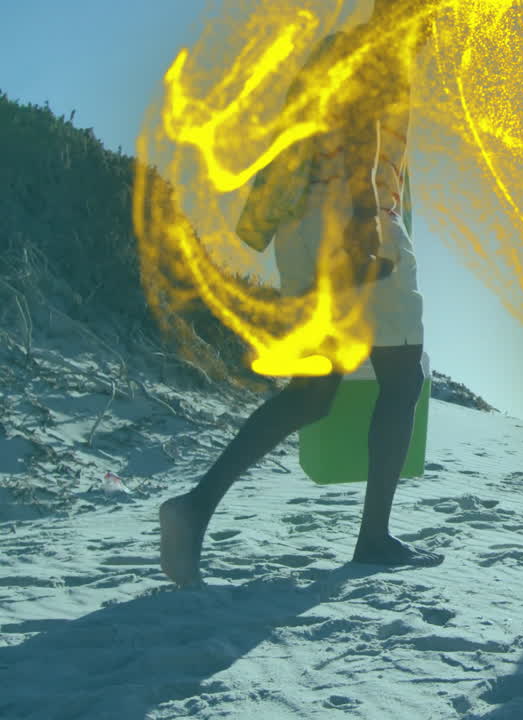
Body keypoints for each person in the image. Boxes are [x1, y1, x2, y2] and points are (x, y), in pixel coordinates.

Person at [159, 0, 438, 587]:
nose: (435, 28)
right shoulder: (381, 53)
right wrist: (365, 222)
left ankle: (194, 509)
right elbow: (361, 126)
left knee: (314, 393)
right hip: (354, 219)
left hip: (305, 224)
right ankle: (374, 539)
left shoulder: (337, 51)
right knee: (402, 376)